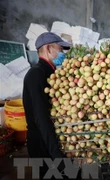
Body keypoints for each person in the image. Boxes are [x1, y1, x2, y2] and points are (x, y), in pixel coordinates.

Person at [23, 32, 80, 179]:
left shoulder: (52, 74)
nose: (63, 54)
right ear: (49, 48)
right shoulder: (36, 74)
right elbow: (41, 118)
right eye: (60, 50)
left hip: (53, 141)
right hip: (43, 144)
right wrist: (56, 154)